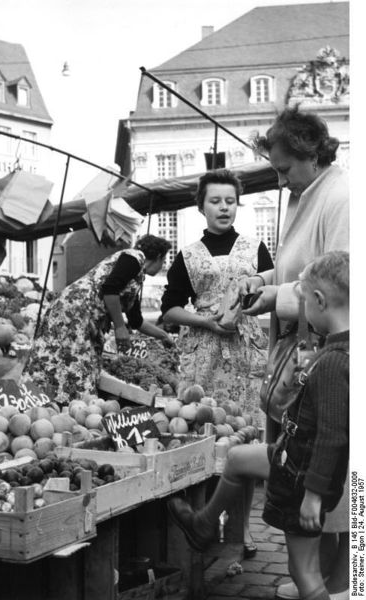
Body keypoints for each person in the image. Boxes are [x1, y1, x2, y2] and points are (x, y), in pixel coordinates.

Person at [168, 250, 349, 600]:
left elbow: (332, 436)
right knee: (237, 460)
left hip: (301, 474)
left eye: (303, 302)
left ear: (319, 301)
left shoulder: (331, 362)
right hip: (294, 458)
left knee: (306, 575)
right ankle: (204, 526)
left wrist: (313, 496)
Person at [238, 107, 349, 599]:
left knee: (321, 462)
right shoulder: (306, 193)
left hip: (320, 353)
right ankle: (320, 576)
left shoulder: (340, 196)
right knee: (301, 458)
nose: (281, 181)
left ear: (311, 154)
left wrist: (274, 298)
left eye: (284, 169)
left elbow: (339, 284)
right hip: (302, 349)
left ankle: (339, 581)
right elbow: (298, 269)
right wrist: (261, 281)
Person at [160, 169, 274, 558]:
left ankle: (242, 532)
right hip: (203, 359)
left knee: (241, 438)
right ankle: (206, 522)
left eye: (230, 200)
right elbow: (171, 310)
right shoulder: (189, 255)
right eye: (215, 201)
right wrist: (207, 320)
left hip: (245, 356)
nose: (224, 207)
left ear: (237, 204)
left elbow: (270, 291)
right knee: (205, 439)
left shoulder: (256, 247)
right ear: (201, 206)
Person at [24, 234, 174, 404]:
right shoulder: (134, 258)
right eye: (164, 261)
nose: (163, 266)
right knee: (71, 363)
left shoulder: (137, 276)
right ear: (159, 256)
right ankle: (58, 404)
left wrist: (164, 336)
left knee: (69, 363)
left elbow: (136, 321)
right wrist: (119, 327)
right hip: (74, 314)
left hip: (83, 318)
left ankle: (62, 405)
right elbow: (110, 289)